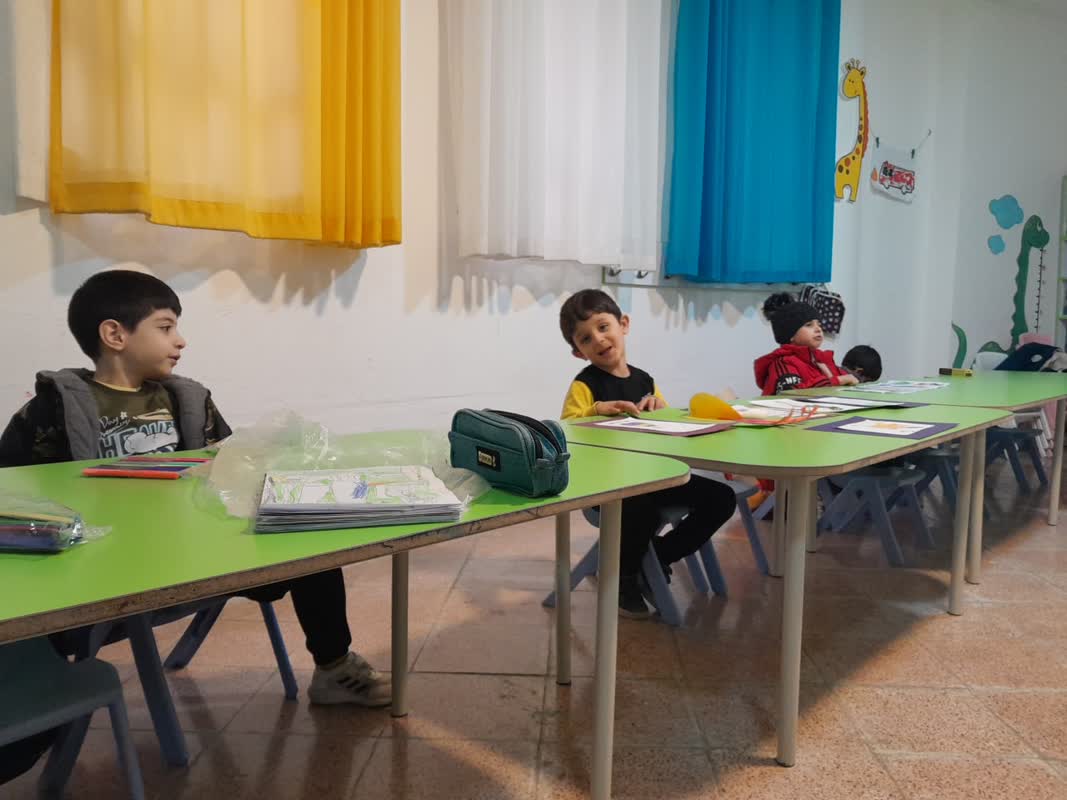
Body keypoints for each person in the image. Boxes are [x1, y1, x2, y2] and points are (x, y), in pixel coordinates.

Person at [0, 270, 390, 708]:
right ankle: (36, 706)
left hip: (197, 554)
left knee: (309, 538)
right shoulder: (52, 410)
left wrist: (264, 459)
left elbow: (229, 470)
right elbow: (14, 499)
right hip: (104, 570)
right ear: (114, 335)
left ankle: (334, 668)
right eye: (166, 327)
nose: (180, 341)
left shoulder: (188, 401)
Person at [558, 289, 736, 619]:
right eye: (585, 338)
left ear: (623, 324)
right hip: (608, 486)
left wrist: (660, 408)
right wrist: (596, 410)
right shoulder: (585, 385)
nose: (598, 339)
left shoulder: (645, 380)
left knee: (722, 498)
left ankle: (658, 555)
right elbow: (567, 429)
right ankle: (624, 578)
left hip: (654, 475)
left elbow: (669, 428)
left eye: (603, 327)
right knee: (639, 506)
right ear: (578, 352)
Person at [753, 292, 859, 395]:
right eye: (809, 325)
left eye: (819, 324)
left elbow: (848, 380)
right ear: (790, 335)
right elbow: (791, 393)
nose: (818, 329)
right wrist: (837, 381)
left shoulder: (822, 359)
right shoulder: (783, 362)